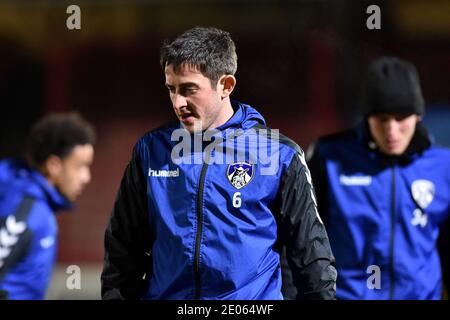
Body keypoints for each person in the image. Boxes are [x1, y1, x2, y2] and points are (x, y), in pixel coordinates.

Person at [101, 26, 336, 300]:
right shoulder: (152, 150)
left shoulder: (278, 155)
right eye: (171, 89)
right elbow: (122, 249)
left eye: (189, 89)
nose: (178, 102)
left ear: (225, 85)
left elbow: (311, 259)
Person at [307, 56, 450, 299]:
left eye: (401, 118)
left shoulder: (443, 165)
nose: (391, 131)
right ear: (367, 118)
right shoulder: (328, 157)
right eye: (382, 119)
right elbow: (301, 240)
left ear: (418, 115)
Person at [0, 112, 95, 300]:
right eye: (80, 167)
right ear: (54, 165)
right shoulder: (26, 211)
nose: (87, 177)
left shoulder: (28, 198)